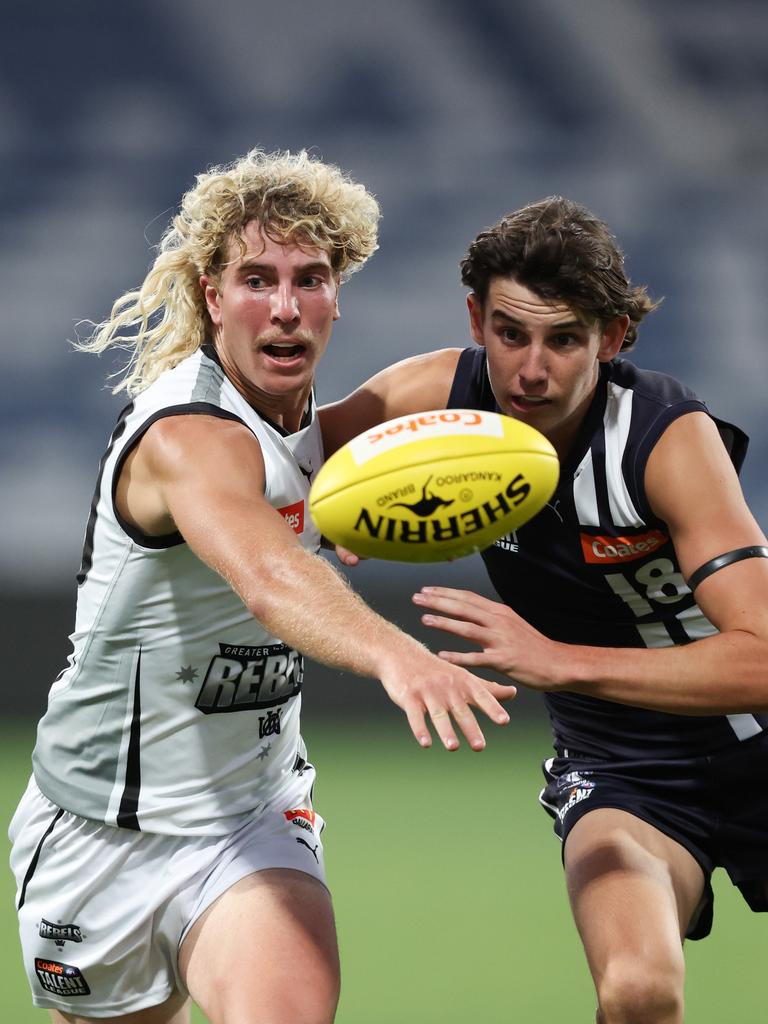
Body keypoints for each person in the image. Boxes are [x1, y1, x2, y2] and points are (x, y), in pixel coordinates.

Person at [8, 149, 517, 1024]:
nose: (285, 307)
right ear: (212, 297)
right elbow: (268, 576)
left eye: (310, 278)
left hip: (252, 816)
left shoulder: (324, 436)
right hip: (99, 827)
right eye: (256, 279)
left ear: (336, 294)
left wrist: (618, 403)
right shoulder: (188, 436)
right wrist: (399, 656)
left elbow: (442, 380)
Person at [320, 196, 768, 1024]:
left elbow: (764, 660)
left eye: (564, 339)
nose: (531, 370)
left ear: (612, 337)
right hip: (626, 769)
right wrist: (334, 513)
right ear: (476, 320)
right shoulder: (435, 400)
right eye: (510, 333)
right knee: (637, 992)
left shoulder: (663, 440)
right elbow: (279, 465)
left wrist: (561, 662)